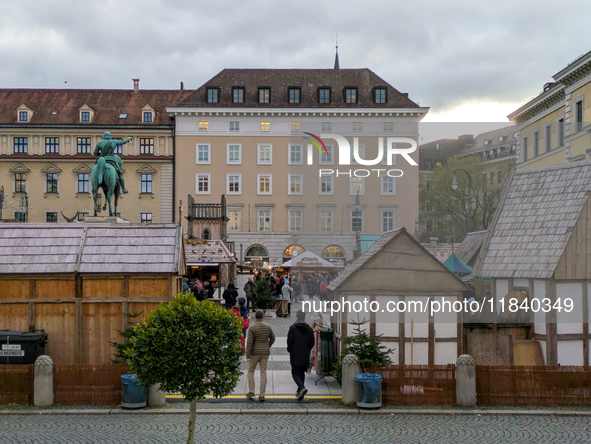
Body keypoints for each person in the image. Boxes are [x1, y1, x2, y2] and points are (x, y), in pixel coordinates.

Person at [246, 309, 275, 402]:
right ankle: (262, 394)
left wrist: (248, 355)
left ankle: (251, 391)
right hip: (265, 352)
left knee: (251, 371)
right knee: (263, 372)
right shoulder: (268, 326)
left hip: (255, 352)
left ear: (255, 316)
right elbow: (273, 338)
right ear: (263, 316)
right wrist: (268, 345)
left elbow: (249, 342)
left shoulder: (252, 327)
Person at [287, 310, 315, 401]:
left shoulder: (293, 328)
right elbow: (312, 342)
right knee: (302, 372)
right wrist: (308, 349)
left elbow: (290, 341)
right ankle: (300, 391)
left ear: (297, 317)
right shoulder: (309, 329)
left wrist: (290, 349)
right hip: (305, 353)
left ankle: (302, 388)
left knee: (295, 373)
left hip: (295, 353)